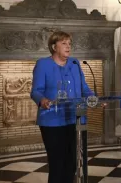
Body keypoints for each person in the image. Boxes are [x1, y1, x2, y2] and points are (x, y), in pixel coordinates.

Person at [30, 31, 93, 183]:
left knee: (71, 164)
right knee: (57, 164)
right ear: (54, 46)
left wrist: (93, 98)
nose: (68, 47)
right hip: (52, 120)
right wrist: (43, 100)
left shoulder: (74, 63)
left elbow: (84, 88)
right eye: (64, 43)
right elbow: (35, 91)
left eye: (69, 44)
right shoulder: (43, 64)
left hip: (74, 120)